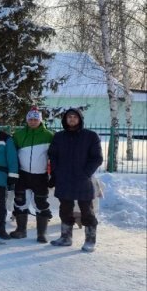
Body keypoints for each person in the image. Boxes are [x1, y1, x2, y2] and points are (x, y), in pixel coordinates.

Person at [48, 108, 103, 252]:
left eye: (74, 117)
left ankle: (90, 240)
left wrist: (86, 173)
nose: (71, 119)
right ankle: (66, 237)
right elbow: (52, 155)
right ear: (65, 120)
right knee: (65, 209)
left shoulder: (90, 136)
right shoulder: (59, 137)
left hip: (83, 180)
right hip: (64, 179)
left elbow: (97, 158)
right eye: (69, 117)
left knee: (87, 210)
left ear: (80, 119)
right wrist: (57, 172)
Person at [11, 107, 54, 243]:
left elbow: (55, 157)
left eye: (36, 119)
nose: (33, 121)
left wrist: (53, 174)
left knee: (41, 202)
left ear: (40, 120)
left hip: (40, 175)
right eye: (30, 119)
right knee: (20, 201)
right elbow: (12, 154)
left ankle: (42, 233)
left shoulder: (49, 135)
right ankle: (21, 230)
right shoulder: (19, 135)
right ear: (27, 120)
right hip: (23, 174)